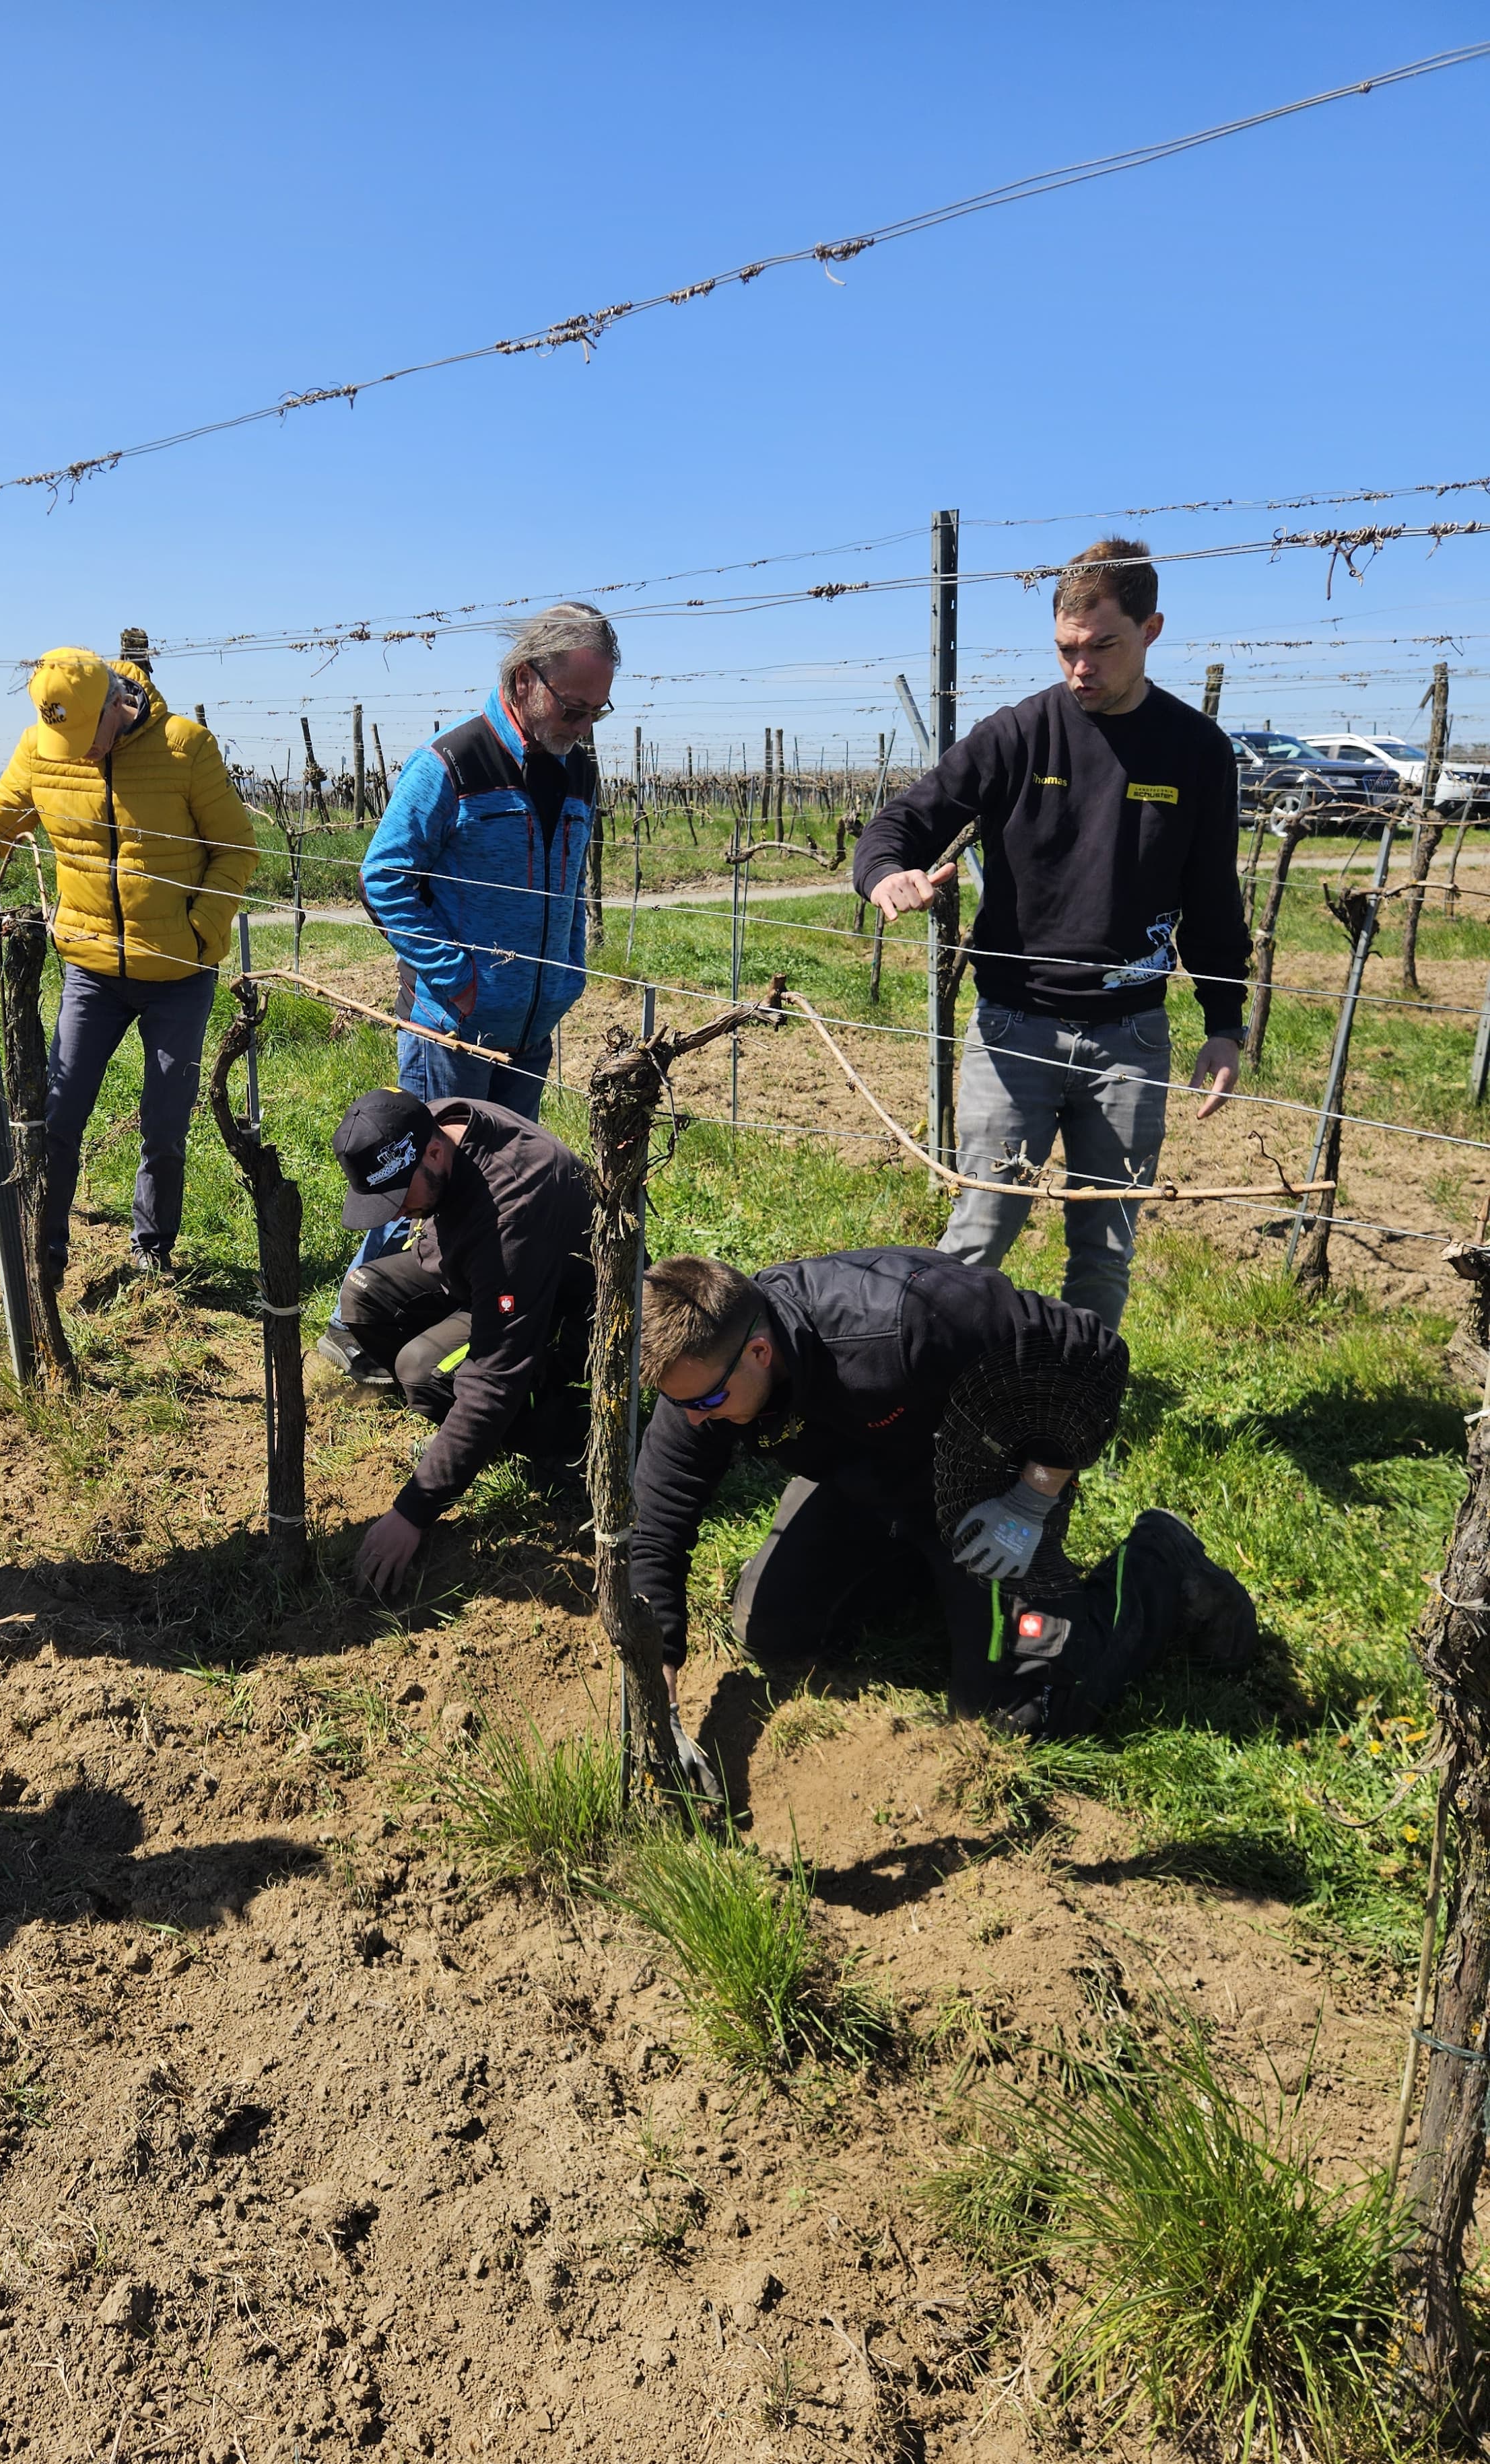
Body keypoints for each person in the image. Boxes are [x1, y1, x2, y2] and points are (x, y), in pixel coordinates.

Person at [852, 539, 1248, 1331]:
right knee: (980, 1231)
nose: (1082, 668)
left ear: (1151, 630)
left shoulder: (1198, 750)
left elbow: (1212, 897)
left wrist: (1224, 1022)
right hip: (1014, 1028)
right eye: (1068, 649)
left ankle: (1077, 1403)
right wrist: (887, 872)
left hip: (1131, 1038)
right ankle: (929, 1391)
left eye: (1103, 646)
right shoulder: (1019, 734)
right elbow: (907, 818)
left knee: (1105, 1249)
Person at [631, 1249, 1254, 1744]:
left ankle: (1159, 1565)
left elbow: (1094, 1355)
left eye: (707, 1403)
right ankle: (930, 1574)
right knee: (772, 1630)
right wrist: (656, 1672)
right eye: (679, 1404)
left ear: (760, 1351)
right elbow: (661, 1518)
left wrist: (1033, 1498)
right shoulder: (702, 1378)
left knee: (1017, 1718)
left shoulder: (909, 1323)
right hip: (869, 1481)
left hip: (983, 1487)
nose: (693, 1421)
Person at [0, 647, 256, 1287]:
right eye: (59, 734)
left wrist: (198, 932)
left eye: (84, 734)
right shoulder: (42, 749)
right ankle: (42, 1253)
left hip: (179, 975)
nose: (76, 749)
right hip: (91, 972)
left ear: (115, 708)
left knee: (164, 1123)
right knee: (58, 1115)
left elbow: (235, 850)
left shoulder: (184, 746)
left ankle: (151, 1252)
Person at [327, 1087, 594, 1597]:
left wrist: (413, 1511)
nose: (397, 1214)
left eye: (400, 1197)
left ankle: (536, 1433)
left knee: (421, 1370)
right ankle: (458, 1427)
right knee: (363, 1294)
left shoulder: (512, 1208)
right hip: (481, 1275)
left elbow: (495, 1376)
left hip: (555, 1314)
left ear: (433, 1154)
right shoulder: (432, 1125)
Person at [358, 601, 616, 1120]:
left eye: (598, 711)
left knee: (509, 1190)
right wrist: (459, 982)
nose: (584, 728)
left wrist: (569, 973)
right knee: (443, 1188)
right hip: (452, 1038)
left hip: (533, 1035)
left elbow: (569, 882)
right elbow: (383, 879)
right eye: (573, 709)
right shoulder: (451, 762)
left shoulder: (579, 770)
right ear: (525, 680)